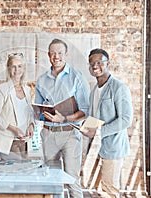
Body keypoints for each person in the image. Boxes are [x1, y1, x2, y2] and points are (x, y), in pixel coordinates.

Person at [34, 38, 90, 198]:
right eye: (53, 53)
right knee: (51, 181)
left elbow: (85, 111)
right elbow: (38, 110)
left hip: (70, 134)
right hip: (48, 135)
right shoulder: (41, 80)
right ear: (48, 55)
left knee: (72, 180)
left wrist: (64, 118)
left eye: (59, 53)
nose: (56, 56)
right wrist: (42, 114)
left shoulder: (77, 77)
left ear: (66, 55)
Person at [84, 48, 133, 198]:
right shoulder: (94, 90)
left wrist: (98, 132)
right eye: (92, 63)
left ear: (108, 64)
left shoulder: (119, 88)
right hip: (98, 148)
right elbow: (94, 118)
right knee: (101, 191)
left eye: (99, 62)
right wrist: (83, 128)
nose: (95, 66)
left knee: (110, 191)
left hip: (114, 148)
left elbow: (125, 120)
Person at [0, 53, 34, 161]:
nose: (17, 70)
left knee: (24, 174)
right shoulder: (2, 89)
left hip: (24, 141)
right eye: (13, 66)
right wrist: (14, 129)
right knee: (11, 175)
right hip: (8, 141)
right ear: (9, 69)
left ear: (23, 69)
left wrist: (31, 125)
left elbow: (30, 113)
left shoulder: (27, 90)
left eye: (20, 66)